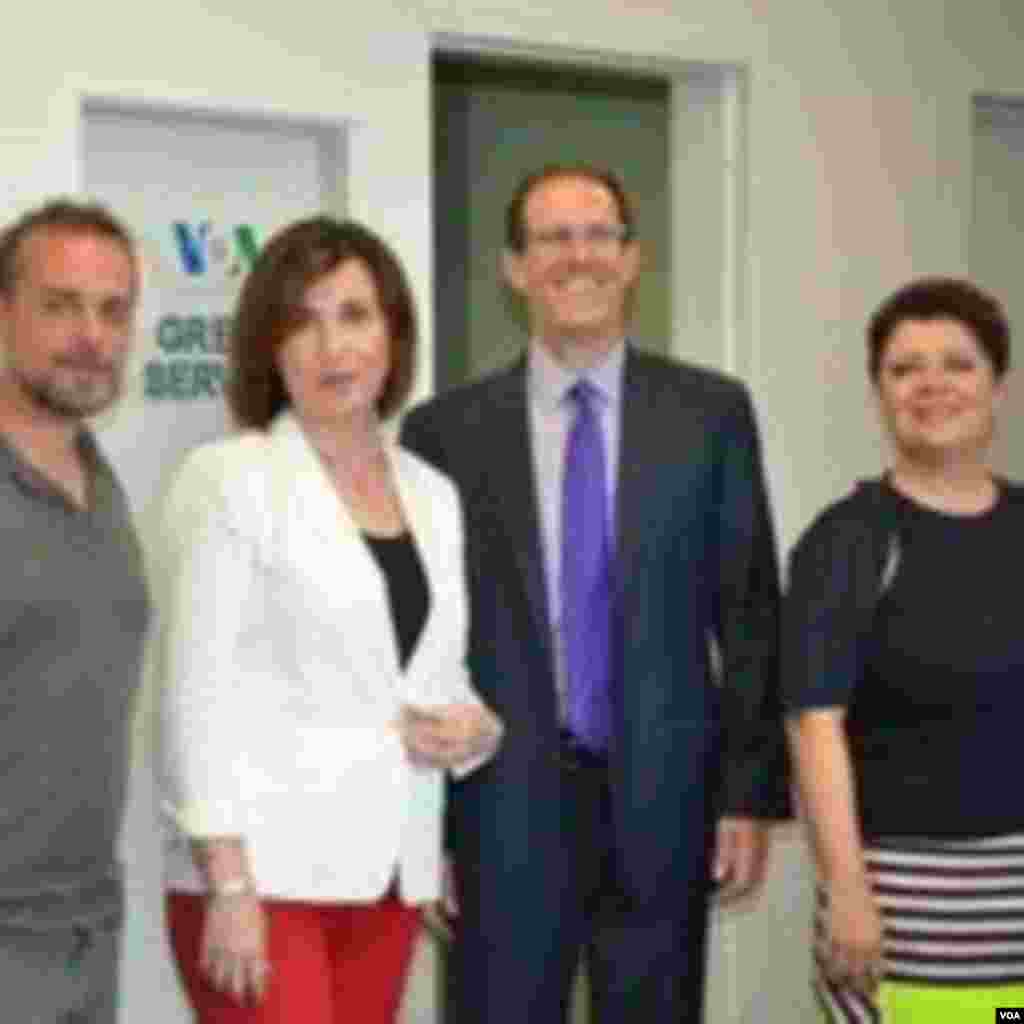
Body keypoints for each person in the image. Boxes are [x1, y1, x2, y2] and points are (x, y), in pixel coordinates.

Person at [400, 164, 788, 1023]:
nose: (578, 257)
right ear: (513, 266)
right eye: (552, 238)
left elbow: (752, 611)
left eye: (598, 234)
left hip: (666, 800)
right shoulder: (444, 433)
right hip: (500, 811)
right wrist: (421, 828)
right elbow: (422, 640)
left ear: (631, 256)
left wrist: (747, 796)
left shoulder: (711, 414)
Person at [156, 215, 502, 1024]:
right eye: (303, 322)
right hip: (260, 882)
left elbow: (434, 675)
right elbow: (191, 696)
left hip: (385, 875)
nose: (331, 347)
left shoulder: (432, 492)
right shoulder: (228, 479)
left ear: (394, 335)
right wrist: (229, 886)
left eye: (354, 316)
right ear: (269, 347)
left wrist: (474, 730)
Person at [784, 277, 1024, 1021]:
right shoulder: (848, 539)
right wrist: (847, 889)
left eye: (958, 363)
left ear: (998, 384)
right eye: (905, 368)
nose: (932, 385)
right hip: (899, 904)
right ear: (879, 392)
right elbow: (813, 724)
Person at [0, 199, 149, 1022]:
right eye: (60, 305)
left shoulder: (103, 488)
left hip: (88, 929)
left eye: (112, 309)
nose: (91, 334)